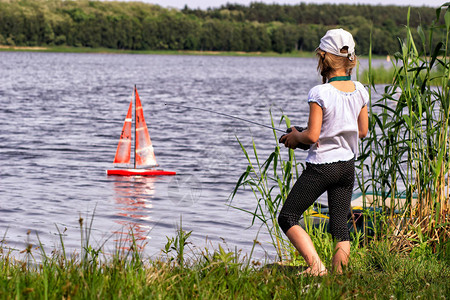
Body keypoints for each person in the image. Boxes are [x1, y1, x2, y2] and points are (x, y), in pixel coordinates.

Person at [278, 28, 369, 276]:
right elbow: (362, 131)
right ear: (351, 59)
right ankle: (339, 277)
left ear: (323, 58)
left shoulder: (320, 93)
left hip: (322, 168)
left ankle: (316, 267)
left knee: (287, 217)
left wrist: (296, 137)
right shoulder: (360, 90)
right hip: (347, 167)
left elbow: (312, 136)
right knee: (340, 226)